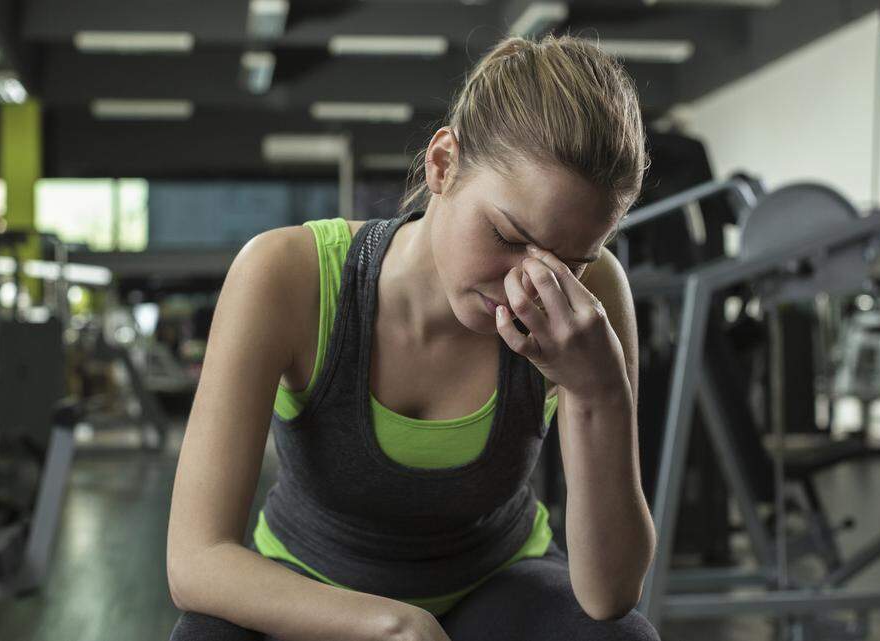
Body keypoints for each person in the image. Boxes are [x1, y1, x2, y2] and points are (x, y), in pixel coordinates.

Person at [166, 33, 660, 641]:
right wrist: (392, 624)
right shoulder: (285, 275)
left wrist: (597, 394)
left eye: (570, 262)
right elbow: (195, 560)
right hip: (312, 588)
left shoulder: (588, 304)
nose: (525, 287)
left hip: (498, 588)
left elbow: (610, 594)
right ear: (442, 164)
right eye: (508, 237)